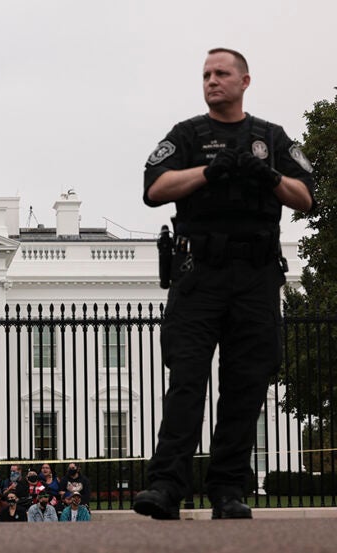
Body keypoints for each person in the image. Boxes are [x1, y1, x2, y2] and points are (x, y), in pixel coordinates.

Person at [136, 48, 315, 521]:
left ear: (245, 81)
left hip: (255, 277)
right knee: (187, 382)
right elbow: (155, 188)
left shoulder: (271, 137)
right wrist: (208, 171)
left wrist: (269, 174)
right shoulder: (187, 135)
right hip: (199, 276)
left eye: (221, 74)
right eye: (205, 75)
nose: (212, 81)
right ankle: (166, 487)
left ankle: (228, 490)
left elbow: (305, 197)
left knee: (246, 385)